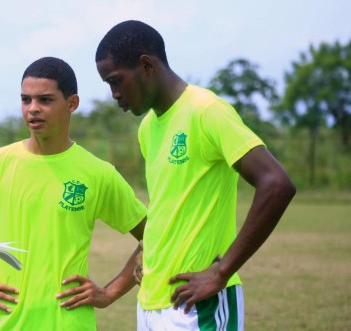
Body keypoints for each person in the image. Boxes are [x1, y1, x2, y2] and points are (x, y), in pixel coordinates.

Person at [95, 20, 297, 330]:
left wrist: (221, 271)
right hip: (151, 302)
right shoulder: (148, 128)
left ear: (146, 65)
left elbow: (277, 184)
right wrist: (130, 272)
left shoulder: (207, 111)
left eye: (115, 81)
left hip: (197, 307)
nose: (114, 94)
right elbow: (167, 212)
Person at [0, 56, 148, 330]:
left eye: (45, 100)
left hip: (71, 324)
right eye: (25, 100)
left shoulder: (98, 173)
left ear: (72, 103)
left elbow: (153, 235)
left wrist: (108, 293)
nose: (32, 109)